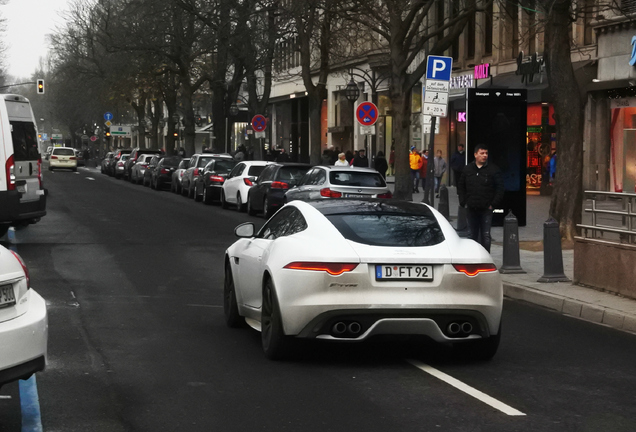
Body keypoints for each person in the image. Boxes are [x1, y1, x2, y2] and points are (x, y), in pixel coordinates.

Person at [458, 143, 504, 253]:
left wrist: (493, 204)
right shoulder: (468, 169)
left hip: (486, 208)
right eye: (482, 153)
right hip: (471, 207)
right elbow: (461, 186)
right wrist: (463, 201)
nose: (484, 155)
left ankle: (485, 258)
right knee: (471, 235)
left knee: (486, 235)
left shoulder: (493, 170)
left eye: (486, 153)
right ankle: (472, 258)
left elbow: (500, 187)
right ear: (475, 154)